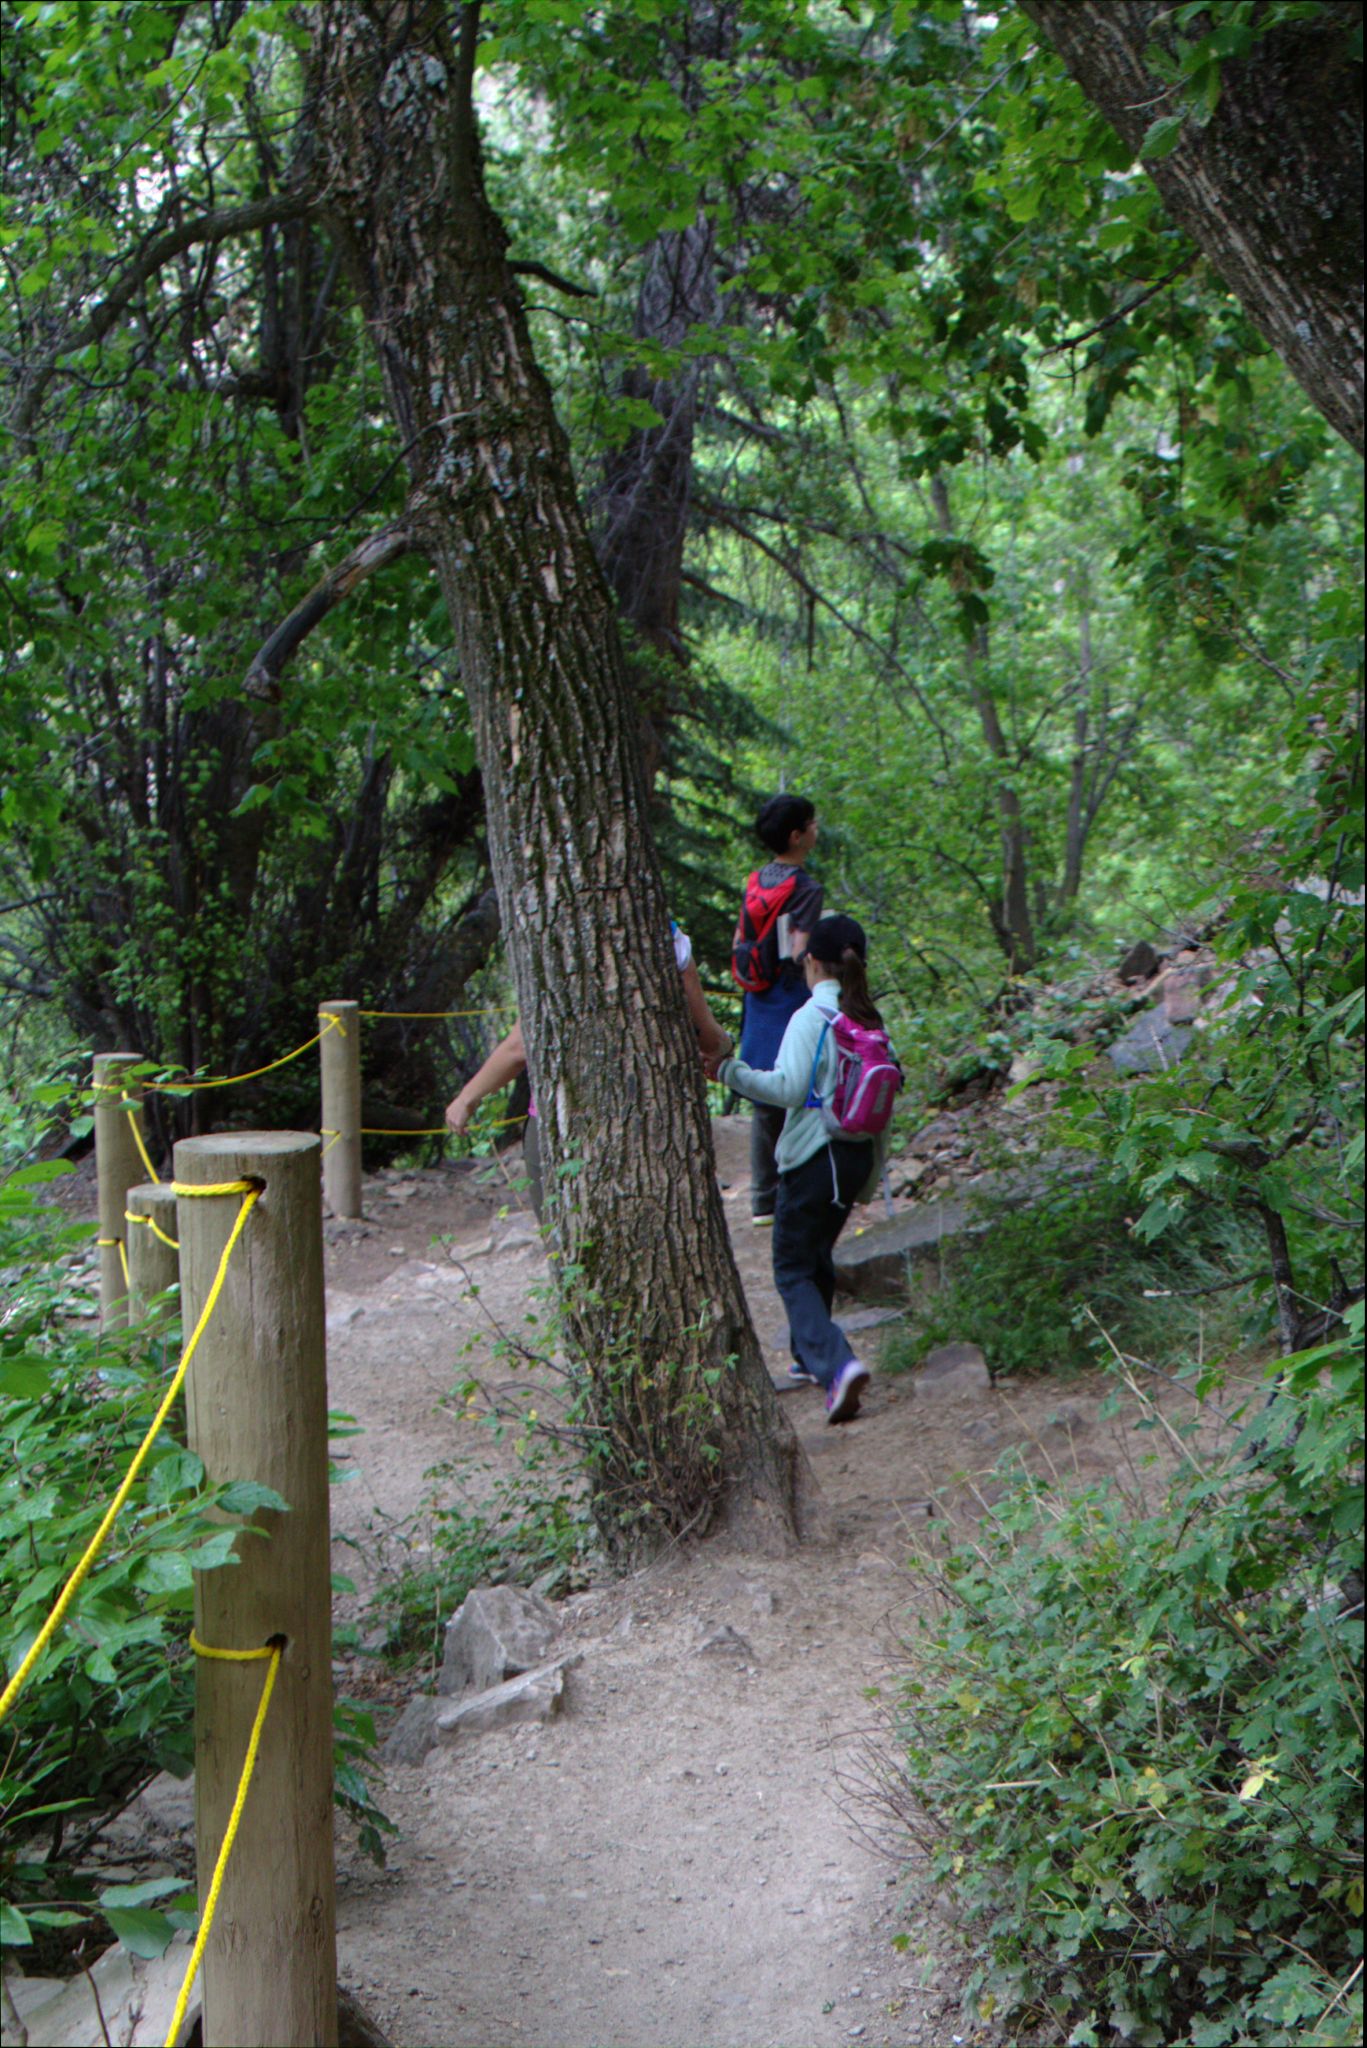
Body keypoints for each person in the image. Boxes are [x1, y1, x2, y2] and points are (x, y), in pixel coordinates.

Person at [711, 914, 889, 1424]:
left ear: (811, 961)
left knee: (791, 1269)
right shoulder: (870, 1019)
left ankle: (838, 1366)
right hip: (853, 1159)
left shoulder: (813, 1016)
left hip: (813, 1158)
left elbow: (788, 1089)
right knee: (816, 1259)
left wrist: (730, 1071)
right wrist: (870, 1178)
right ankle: (807, 1359)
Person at [445, 922, 731, 1219]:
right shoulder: (661, 932)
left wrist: (468, 1097)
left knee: (568, 1240)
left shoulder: (553, 929)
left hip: (562, 1122)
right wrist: (724, 1048)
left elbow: (520, 1046)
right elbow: (704, 1033)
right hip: (655, 1118)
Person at [731, 793, 823, 1227]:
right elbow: (800, 950)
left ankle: (762, 1200)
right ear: (796, 835)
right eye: (812, 823)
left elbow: (740, 939)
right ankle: (796, 1193)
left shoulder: (756, 881)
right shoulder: (805, 888)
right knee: (799, 1089)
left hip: (757, 994)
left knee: (764, 1093)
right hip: (790, 994)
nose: (816, 829)